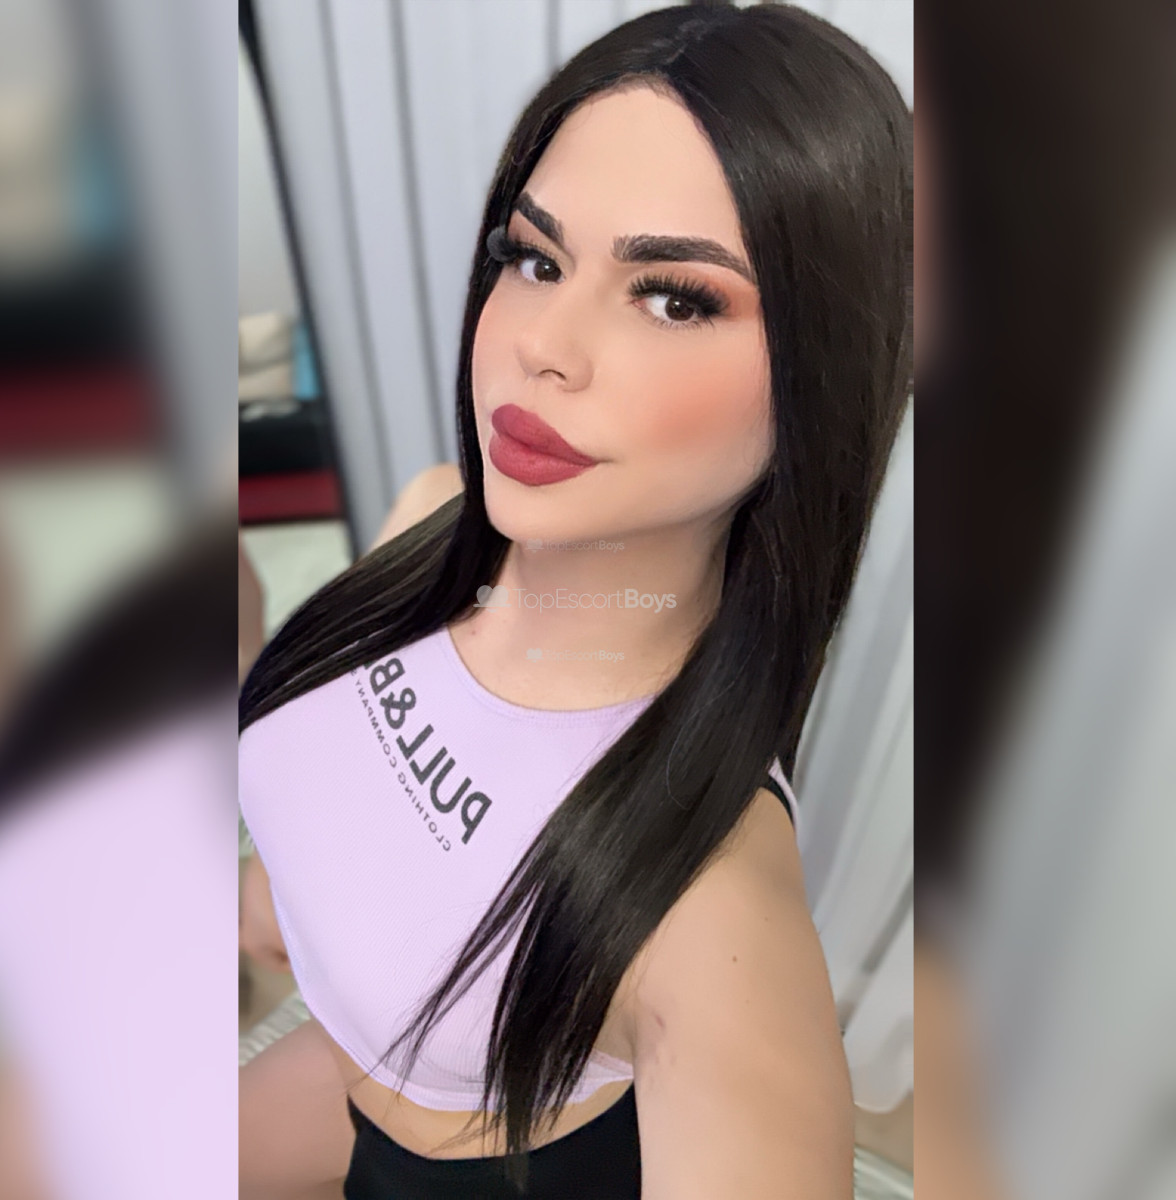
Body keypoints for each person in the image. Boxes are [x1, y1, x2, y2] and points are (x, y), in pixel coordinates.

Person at [238, 5, 911, 1198]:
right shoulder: (433, 512)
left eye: (676, 298)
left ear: (826, 376)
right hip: (349, 1069)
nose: (544, 345)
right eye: (535, 259)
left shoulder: (716, 929)